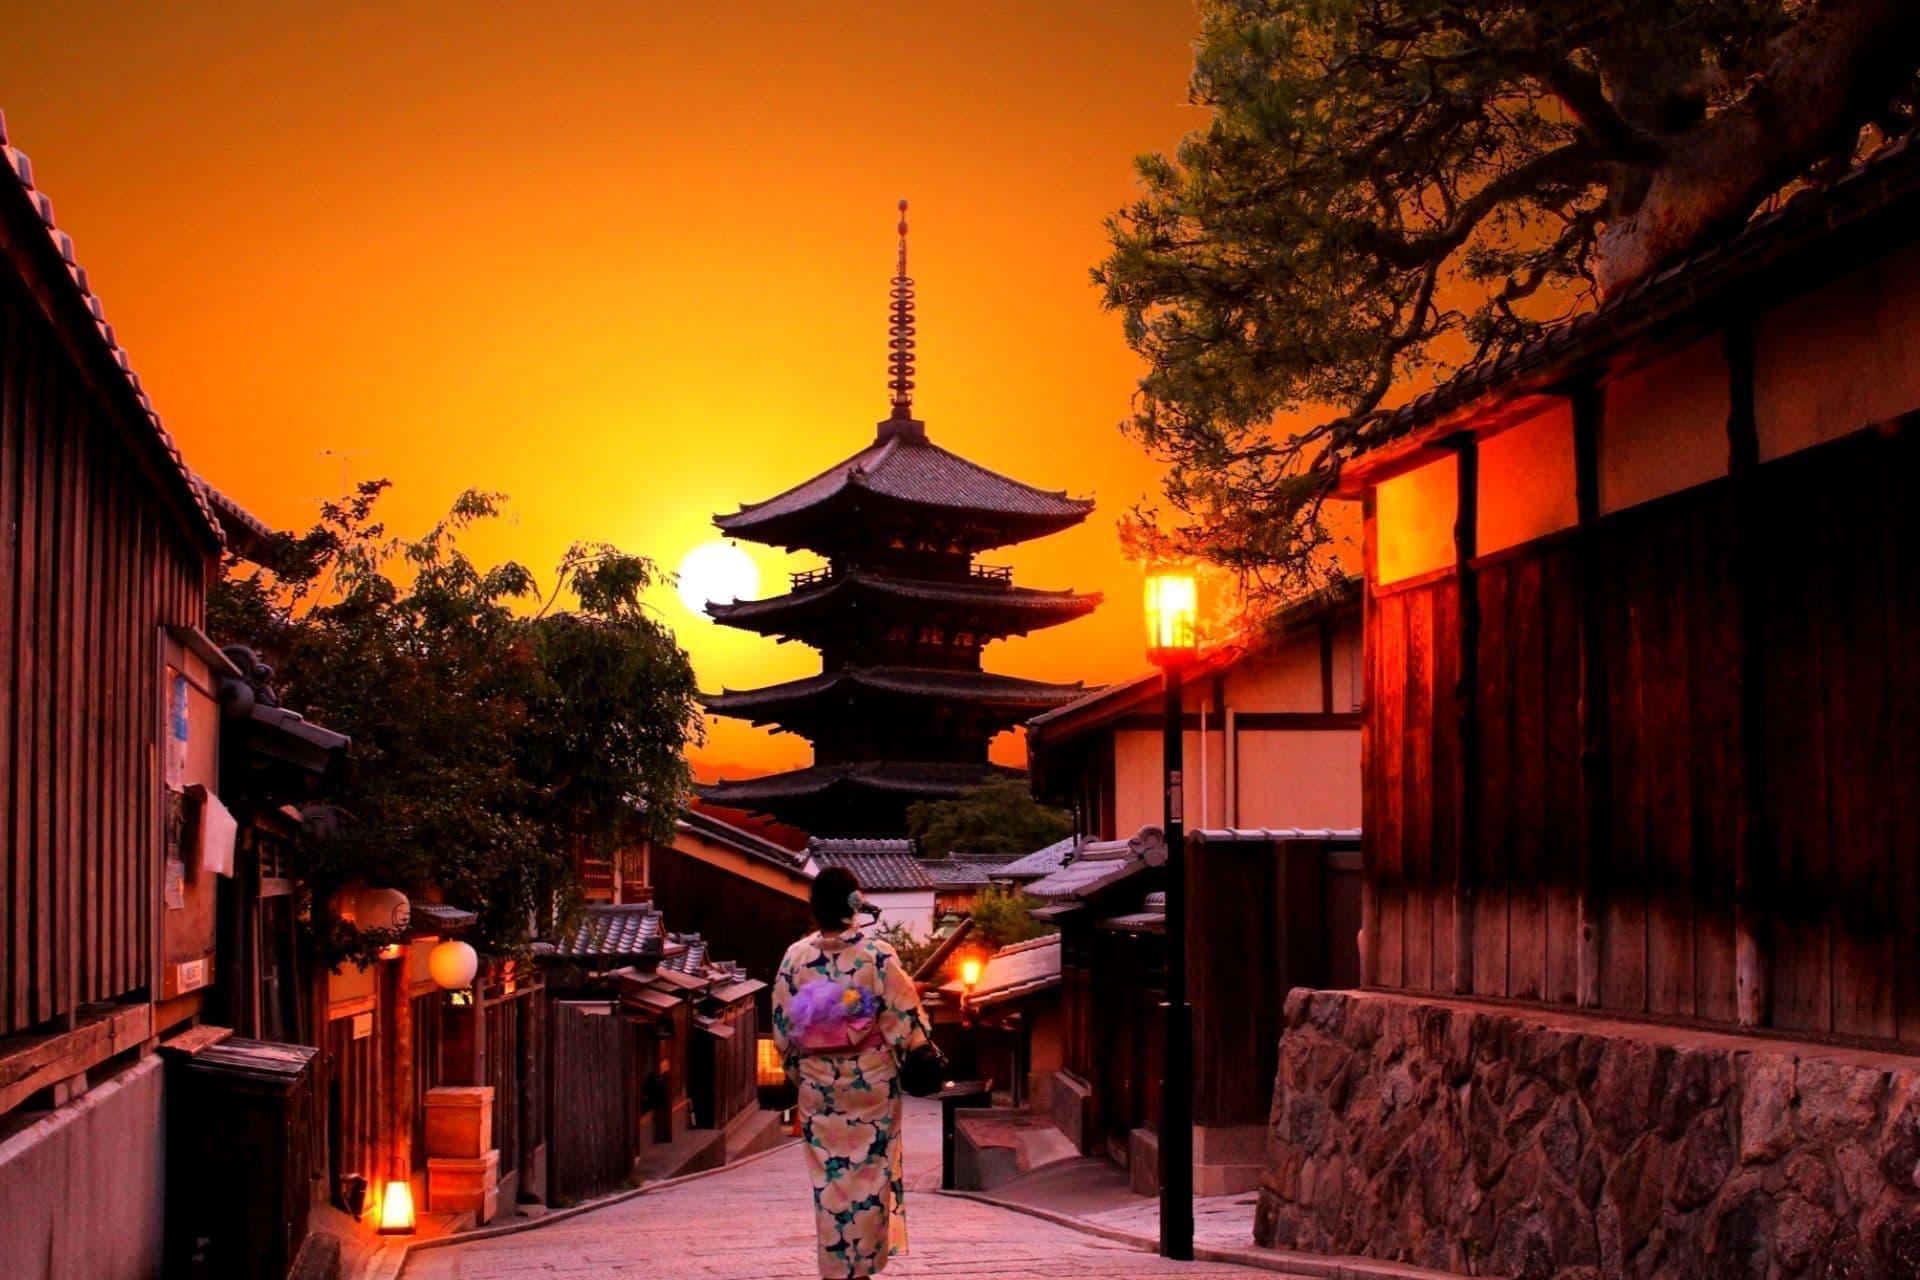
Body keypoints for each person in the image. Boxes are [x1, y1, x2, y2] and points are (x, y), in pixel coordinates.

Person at [772, 866, 934, 1278]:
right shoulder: (877, 956)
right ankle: (862, 1265)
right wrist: (909, 1050)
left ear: (814, 908)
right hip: (872, 1084)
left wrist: (807, 1074)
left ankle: (835, 1267)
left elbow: (784, 1032)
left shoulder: (795, 958)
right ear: (855, 905)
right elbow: (904, 1021)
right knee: (869, 1174)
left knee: (830, 1183)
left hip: (818, 1087)